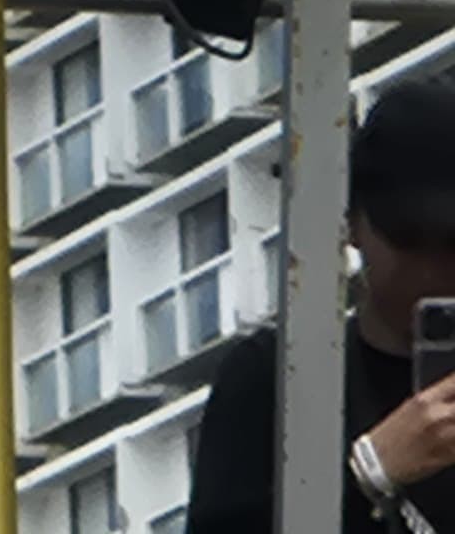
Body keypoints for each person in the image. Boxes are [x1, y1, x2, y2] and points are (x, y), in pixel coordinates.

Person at [187, 69, 455, 533]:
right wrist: (369, 474)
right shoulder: (277, 376)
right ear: (352, 222)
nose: (432, 271)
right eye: (408, 238)